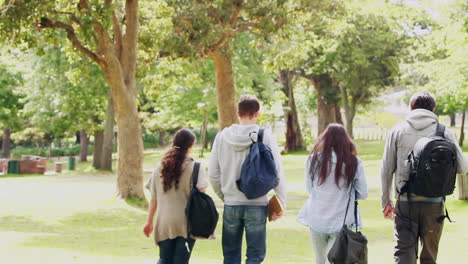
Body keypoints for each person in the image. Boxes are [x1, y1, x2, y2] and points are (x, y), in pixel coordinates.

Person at [381, 92, 468, 264]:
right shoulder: (443, 131)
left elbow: (386, 169)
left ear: (411, 108)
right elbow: (463, 168)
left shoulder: (397, 131)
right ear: (433, 109)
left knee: (404, 254)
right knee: (429, 256)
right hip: (434, 203)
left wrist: (386, 201)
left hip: (405, 203)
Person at [208, 94, 287, 264]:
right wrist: (281, 202)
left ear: (238, 113)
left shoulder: (221, 137)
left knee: (230, 256)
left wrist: (226, 196)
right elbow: (277, 172)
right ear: (257, 113)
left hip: (231, 205)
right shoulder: (264, 135)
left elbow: (213, 174)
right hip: (257, 204)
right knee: (255, 256)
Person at [297, 123, 368, 264]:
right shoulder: (354, 162)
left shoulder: (313, 160)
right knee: (334, 261)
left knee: (320, 259)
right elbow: (363, 193)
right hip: (341, 220)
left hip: (316, 218)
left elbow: (310, 189)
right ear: (346, 140)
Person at [143, 128, 209, 264]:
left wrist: (149, 222)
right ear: (191, 146)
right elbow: (201, 197)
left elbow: (153, 199)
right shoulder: (196, 167)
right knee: (181, 261)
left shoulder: (160, 167)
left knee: (164, 259)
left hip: (164, 223)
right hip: (187, 224)